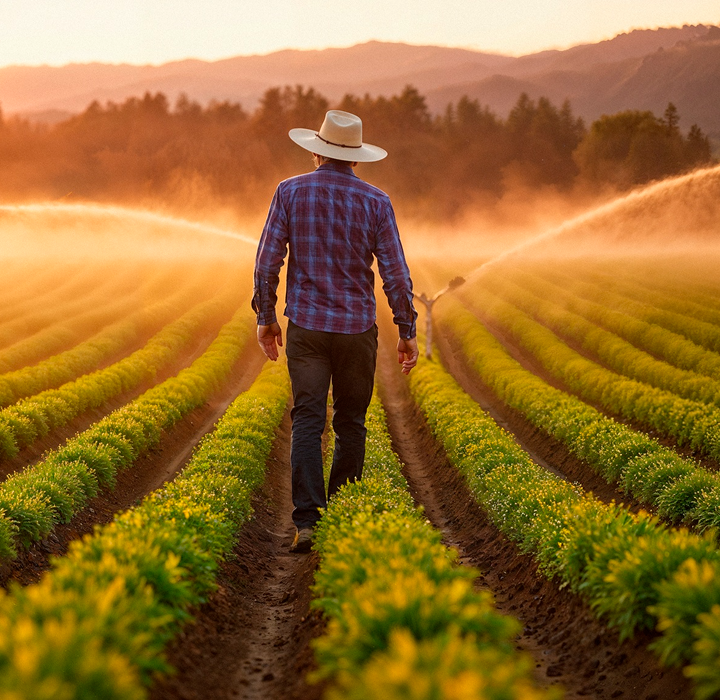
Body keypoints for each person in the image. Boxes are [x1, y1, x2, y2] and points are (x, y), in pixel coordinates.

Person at [252, 109, 419, 553]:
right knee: (350, 422)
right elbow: (396, 275)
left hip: (306, 326)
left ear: (315, 151)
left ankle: (307, 522)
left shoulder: (289, 192)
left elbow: (268, 262)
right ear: (357, 159)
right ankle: (342, 516)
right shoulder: (376, 202)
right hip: (356, 330)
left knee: (308, 418)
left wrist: (265, 318)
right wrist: (407, 328)